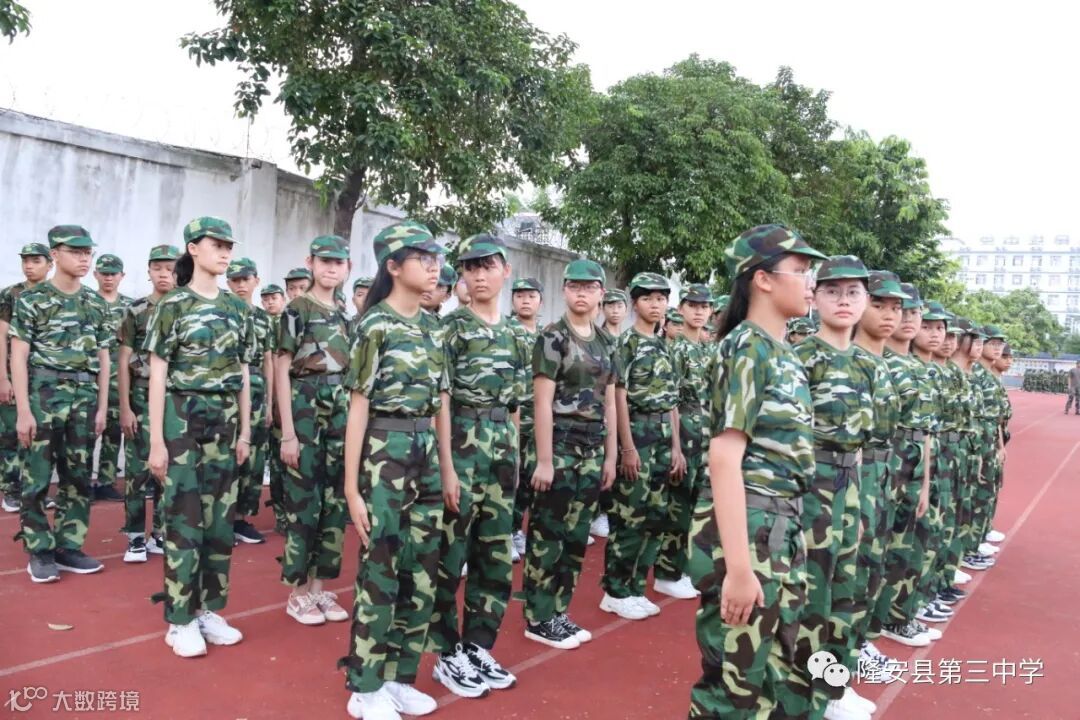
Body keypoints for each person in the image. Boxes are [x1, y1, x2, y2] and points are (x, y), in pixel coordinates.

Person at [688, 224, 826, 718]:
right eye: (801, 270)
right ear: (763, 279)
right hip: (751, 527)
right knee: (735, 686)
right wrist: (741, 570)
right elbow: (725, 457)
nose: (810, 283)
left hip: (780, 526)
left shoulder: (780, 350)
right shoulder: (747, 347)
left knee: (776, 674)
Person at [339, 219, 447, 720]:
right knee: (381, 567)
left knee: (422, 570)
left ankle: (400, 676)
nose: (433, 267)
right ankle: (365, 686)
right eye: (422, 258)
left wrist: (446, 468)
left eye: (435, 258)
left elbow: (440, 404)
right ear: (393, 266)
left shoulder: (433, 327)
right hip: (385, 448)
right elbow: (358, 407)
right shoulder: (374, 325)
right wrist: (351, 488)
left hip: (426, 451)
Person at [144, 216, 252, 657]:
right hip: (182, 417)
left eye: (229, 246)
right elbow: (157, 374)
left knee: (220, 522)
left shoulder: (237, 309)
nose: (224, 253)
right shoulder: (173, 305)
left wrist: (246, 431)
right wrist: (156, 441)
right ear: (193, 248)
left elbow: (244, 371)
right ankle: (180, 618)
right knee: (184, 519)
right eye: (216, 244)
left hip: (225, 421)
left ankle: (207, 609)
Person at [428, 234, 524, 697]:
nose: (479, 275)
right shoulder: (450, 329)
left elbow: (516, 404)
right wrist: (447, 467)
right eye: (470, 268)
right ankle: (446, 652)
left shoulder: (517, 334)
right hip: (462, 444)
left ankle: (478, 644)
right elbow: (440, 401)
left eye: (488, 266)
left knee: (495, 553)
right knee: (450, 552)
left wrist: (516, 456)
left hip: (501, 447)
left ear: (506, 271)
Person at [781, 256, 876, 720]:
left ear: (865, 301)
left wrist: (858, 503)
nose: (843, 300)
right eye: (832, 291)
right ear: (814, 297)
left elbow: (865, 440)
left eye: (853, 292)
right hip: (810, 485)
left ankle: (834, 687)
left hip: (850, 484)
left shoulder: (867, 364)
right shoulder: (801, 358)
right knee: (809, 596)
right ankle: (802, 698)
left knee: (845, 592)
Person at [522, 259, 617, 649]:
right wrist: (544, 460)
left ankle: (558, 611)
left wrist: (610, 456)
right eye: (574, 286)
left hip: (592, 448)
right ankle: (538, 616)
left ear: (600, 293)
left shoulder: (605, 341)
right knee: (549, 533)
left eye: (589, 287)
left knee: (577, 536)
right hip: (560, 446)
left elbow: (610, 402)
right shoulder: (553, 337)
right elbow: (541, 403)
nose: (582, 293)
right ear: (564, 291)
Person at [11, 226, 112, 582]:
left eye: (88, 253)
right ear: (55, 254)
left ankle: (69, 545)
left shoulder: (96, 303)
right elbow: (19, 355)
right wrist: (23, 410)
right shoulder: (32, 300)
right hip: (44, 393)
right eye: (76, 252)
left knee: (78, 476)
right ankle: (39, 549)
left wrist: (102, 407)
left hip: (84, 397)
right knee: (37, 475)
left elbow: (104, 358)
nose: (84, 259)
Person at [276, 235, 353, 625]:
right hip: (305, 404)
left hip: (340, 406)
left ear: (347, 268)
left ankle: (319, 588)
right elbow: (281, 368)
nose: (331, 268)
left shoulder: (345, 314)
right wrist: (288, 433)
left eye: (338, 262)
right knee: (304, 502)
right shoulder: (297, 309)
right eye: (324, 261)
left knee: (335, 503)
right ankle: (298, 592)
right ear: (310, 263)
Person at [601, 272, 685, 620]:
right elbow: (619, 397)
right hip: (637, 432)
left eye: (661, 299)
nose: (655, 304)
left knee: (655, 516)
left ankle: (636, 587)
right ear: (635, 303)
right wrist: (627, 447)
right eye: (648, 298)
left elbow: (672, 401)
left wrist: (677, 447)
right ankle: (615, 591)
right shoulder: (626, 344)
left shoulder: (666, 345)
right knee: (629, 516)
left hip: (663, 435)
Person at [849, 271, 908, 681]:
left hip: (881, 476)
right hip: (852, 477)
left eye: (896, 308)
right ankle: (837, 663)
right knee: (848, 574)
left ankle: (858, 643)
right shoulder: (848, 361)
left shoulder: (884, 364)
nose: (889, 314)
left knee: (871, 567)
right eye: (879, 305)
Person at [877, 283, 939, 648]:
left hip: (913, 469)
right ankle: (878, 622)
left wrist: (926, 482)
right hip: (887, 467)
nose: (909, 319)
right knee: (879, 552)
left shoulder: (918, 367)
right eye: (905, 311)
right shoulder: (879, 360)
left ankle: (898, 614)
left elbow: (926, 430)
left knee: (907, 547)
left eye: (914, 312)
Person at [118, 244, 180, 563]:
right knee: (138, 470)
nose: (164, 274)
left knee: (170, 467)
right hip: (141, 396)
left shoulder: (185, 308)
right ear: (149, 271)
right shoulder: (136, 310)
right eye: (158, 268)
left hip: (175, 399)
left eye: (170, 269)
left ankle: (159, 531)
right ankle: (134, 537)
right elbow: (123, 360)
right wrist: (125, 407)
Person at [655, 283, 712, 601]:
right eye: (693, 306)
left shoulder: (707, 350)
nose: (699, 311)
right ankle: (667, 572)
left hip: (706, 435)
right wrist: (675, 446)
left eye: (704, 307)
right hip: (685, 433)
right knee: (678, 507)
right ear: (681, 310)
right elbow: (671, 401)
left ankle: (686, 567)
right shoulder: (675, 350)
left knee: (698, 506)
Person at [0, 242, 53, 513]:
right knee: (11, 433)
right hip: (14, 372)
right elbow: (1, 336)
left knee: (40, 436)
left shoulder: (54, 294)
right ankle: (11, 490)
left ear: (50, 264)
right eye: (25, 261)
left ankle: (35, 492)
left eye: (35, 261)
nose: (29, 266)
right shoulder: (11, 294)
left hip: (44, 377)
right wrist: (3, 377)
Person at [226, 257, 274, 546]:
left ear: (256, 281)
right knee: (227, 454)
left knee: (254, 456)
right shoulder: (223, 312)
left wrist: (269, 402)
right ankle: (222, 519)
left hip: (256, 390)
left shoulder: (263, 319)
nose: (241, 285)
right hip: (229, 388)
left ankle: (241, 517)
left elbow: (268, 360)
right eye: (235, 280)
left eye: (246, 279)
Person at [91, 253, 132, 503]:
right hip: (88, 376)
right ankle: (80, 481)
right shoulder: (86, 300)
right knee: (84, 433)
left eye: (113, 274)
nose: (108, 278)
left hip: (118, 379)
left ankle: (106, 481)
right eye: (104, 273)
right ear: (95, 274)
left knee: (114, 431)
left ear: (121, 276)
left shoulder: (129, 307)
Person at [508, 277, 544, 563]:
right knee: (512, 475)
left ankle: (520, 528)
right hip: (513, 413)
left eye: (531, 296)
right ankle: (507, 531)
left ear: (540, 301)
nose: (525, 301)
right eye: (520, 296)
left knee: (531, 478)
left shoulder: (546, 336)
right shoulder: (508, 332)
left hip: (539, 417)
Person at [590, 287, 628, 540]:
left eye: (619, 306)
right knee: (600, 462)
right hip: (601, 409)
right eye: (610, 305)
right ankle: (596, 513)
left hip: (626, 410)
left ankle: (609, 510)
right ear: (602, 308)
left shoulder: (627, 339)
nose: (614, 310)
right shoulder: (597, 338)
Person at [259, 283, 288, 532]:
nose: (270, 302)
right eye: (266, 299)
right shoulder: (260, 322)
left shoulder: (290, 323)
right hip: (263, 394)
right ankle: (281, 512)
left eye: (274, 298)